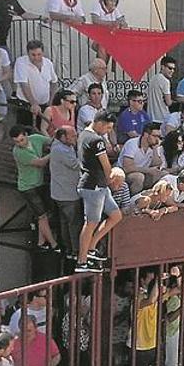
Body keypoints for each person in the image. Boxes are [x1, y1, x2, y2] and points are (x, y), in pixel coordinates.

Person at [76, 112, 122, 273]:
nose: (108, 131)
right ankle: (81, 261)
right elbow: (106, 165)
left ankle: (91, 247)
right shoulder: (96, 140)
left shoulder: (84, 134)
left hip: (98, 185)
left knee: (116, 215)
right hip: (93, 186)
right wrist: (112, 179)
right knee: (91, 223)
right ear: (100, 123)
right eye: (108, 127)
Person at [11, 125, 59, 253]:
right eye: (16, 142)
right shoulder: (18, 152)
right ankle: (54, 244)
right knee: (42, 216)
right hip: (27, 187)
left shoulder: (36, 138)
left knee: (42, 215)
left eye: (21, 140)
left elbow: (51, 141)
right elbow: (40, 163)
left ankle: (41, 242)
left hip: (38, 183)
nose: (20, 143)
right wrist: (53, 152)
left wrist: (56, 138)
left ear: (26, 135)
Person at [49, 126, 83, 261]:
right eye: (73, 136)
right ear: (63, 137)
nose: (76, 138)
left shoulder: (60, 146)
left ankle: (68, 249)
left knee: (65, 223)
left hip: (60, 192)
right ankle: (75, 251)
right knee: (73, 223)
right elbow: (77, 164)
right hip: (67, 194)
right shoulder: (60, 149)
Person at [14, 40, 58, 128]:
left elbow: (54, 83)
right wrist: (33, 103)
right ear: (28, 53)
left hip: (44, 106)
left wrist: (50, 102)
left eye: (39, 54)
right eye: (33, 55)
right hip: (26, 106)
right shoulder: (21, 62)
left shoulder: (48, 63)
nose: (36, 57)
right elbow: (24, 85)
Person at [147, 56, 176, 123]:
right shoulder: (165, 81)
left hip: (151, 117)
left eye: (173, 69)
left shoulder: (153, 78)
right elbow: (168, 102)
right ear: (163, 67)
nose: (172, 71)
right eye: (170, 68)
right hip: (162, 117)